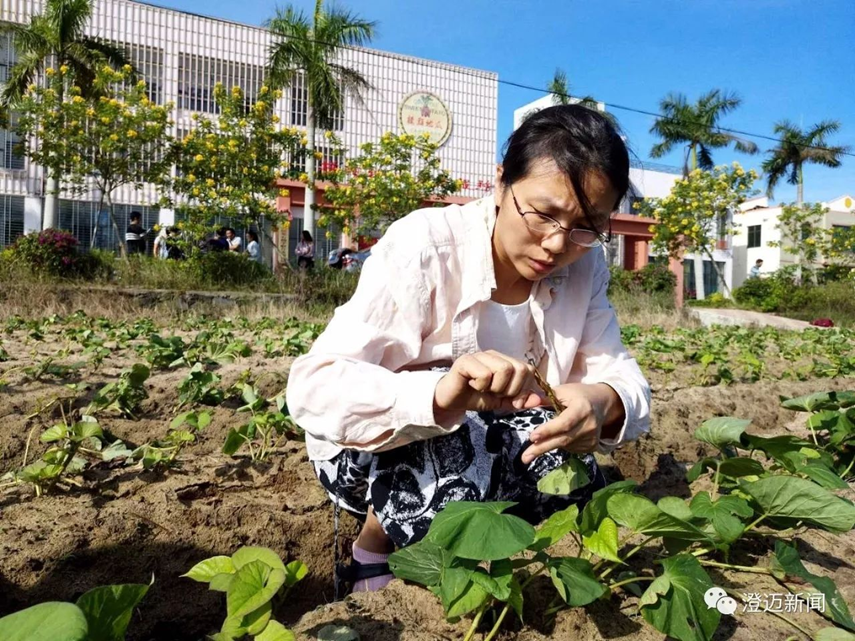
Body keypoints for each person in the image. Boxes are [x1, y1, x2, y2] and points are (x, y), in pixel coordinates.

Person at [286, 105, 651, 595]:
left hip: (498, 443)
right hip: (370, 451)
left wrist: (601, 401)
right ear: (501, 184)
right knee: (458, 438)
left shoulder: (585, 268)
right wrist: (441, 392)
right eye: (544, 214)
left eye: (587, 226)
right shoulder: (427, 245)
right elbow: (313, 387)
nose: (556, 243)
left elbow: (624, 380)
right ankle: (374, 545)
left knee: (577, 468)